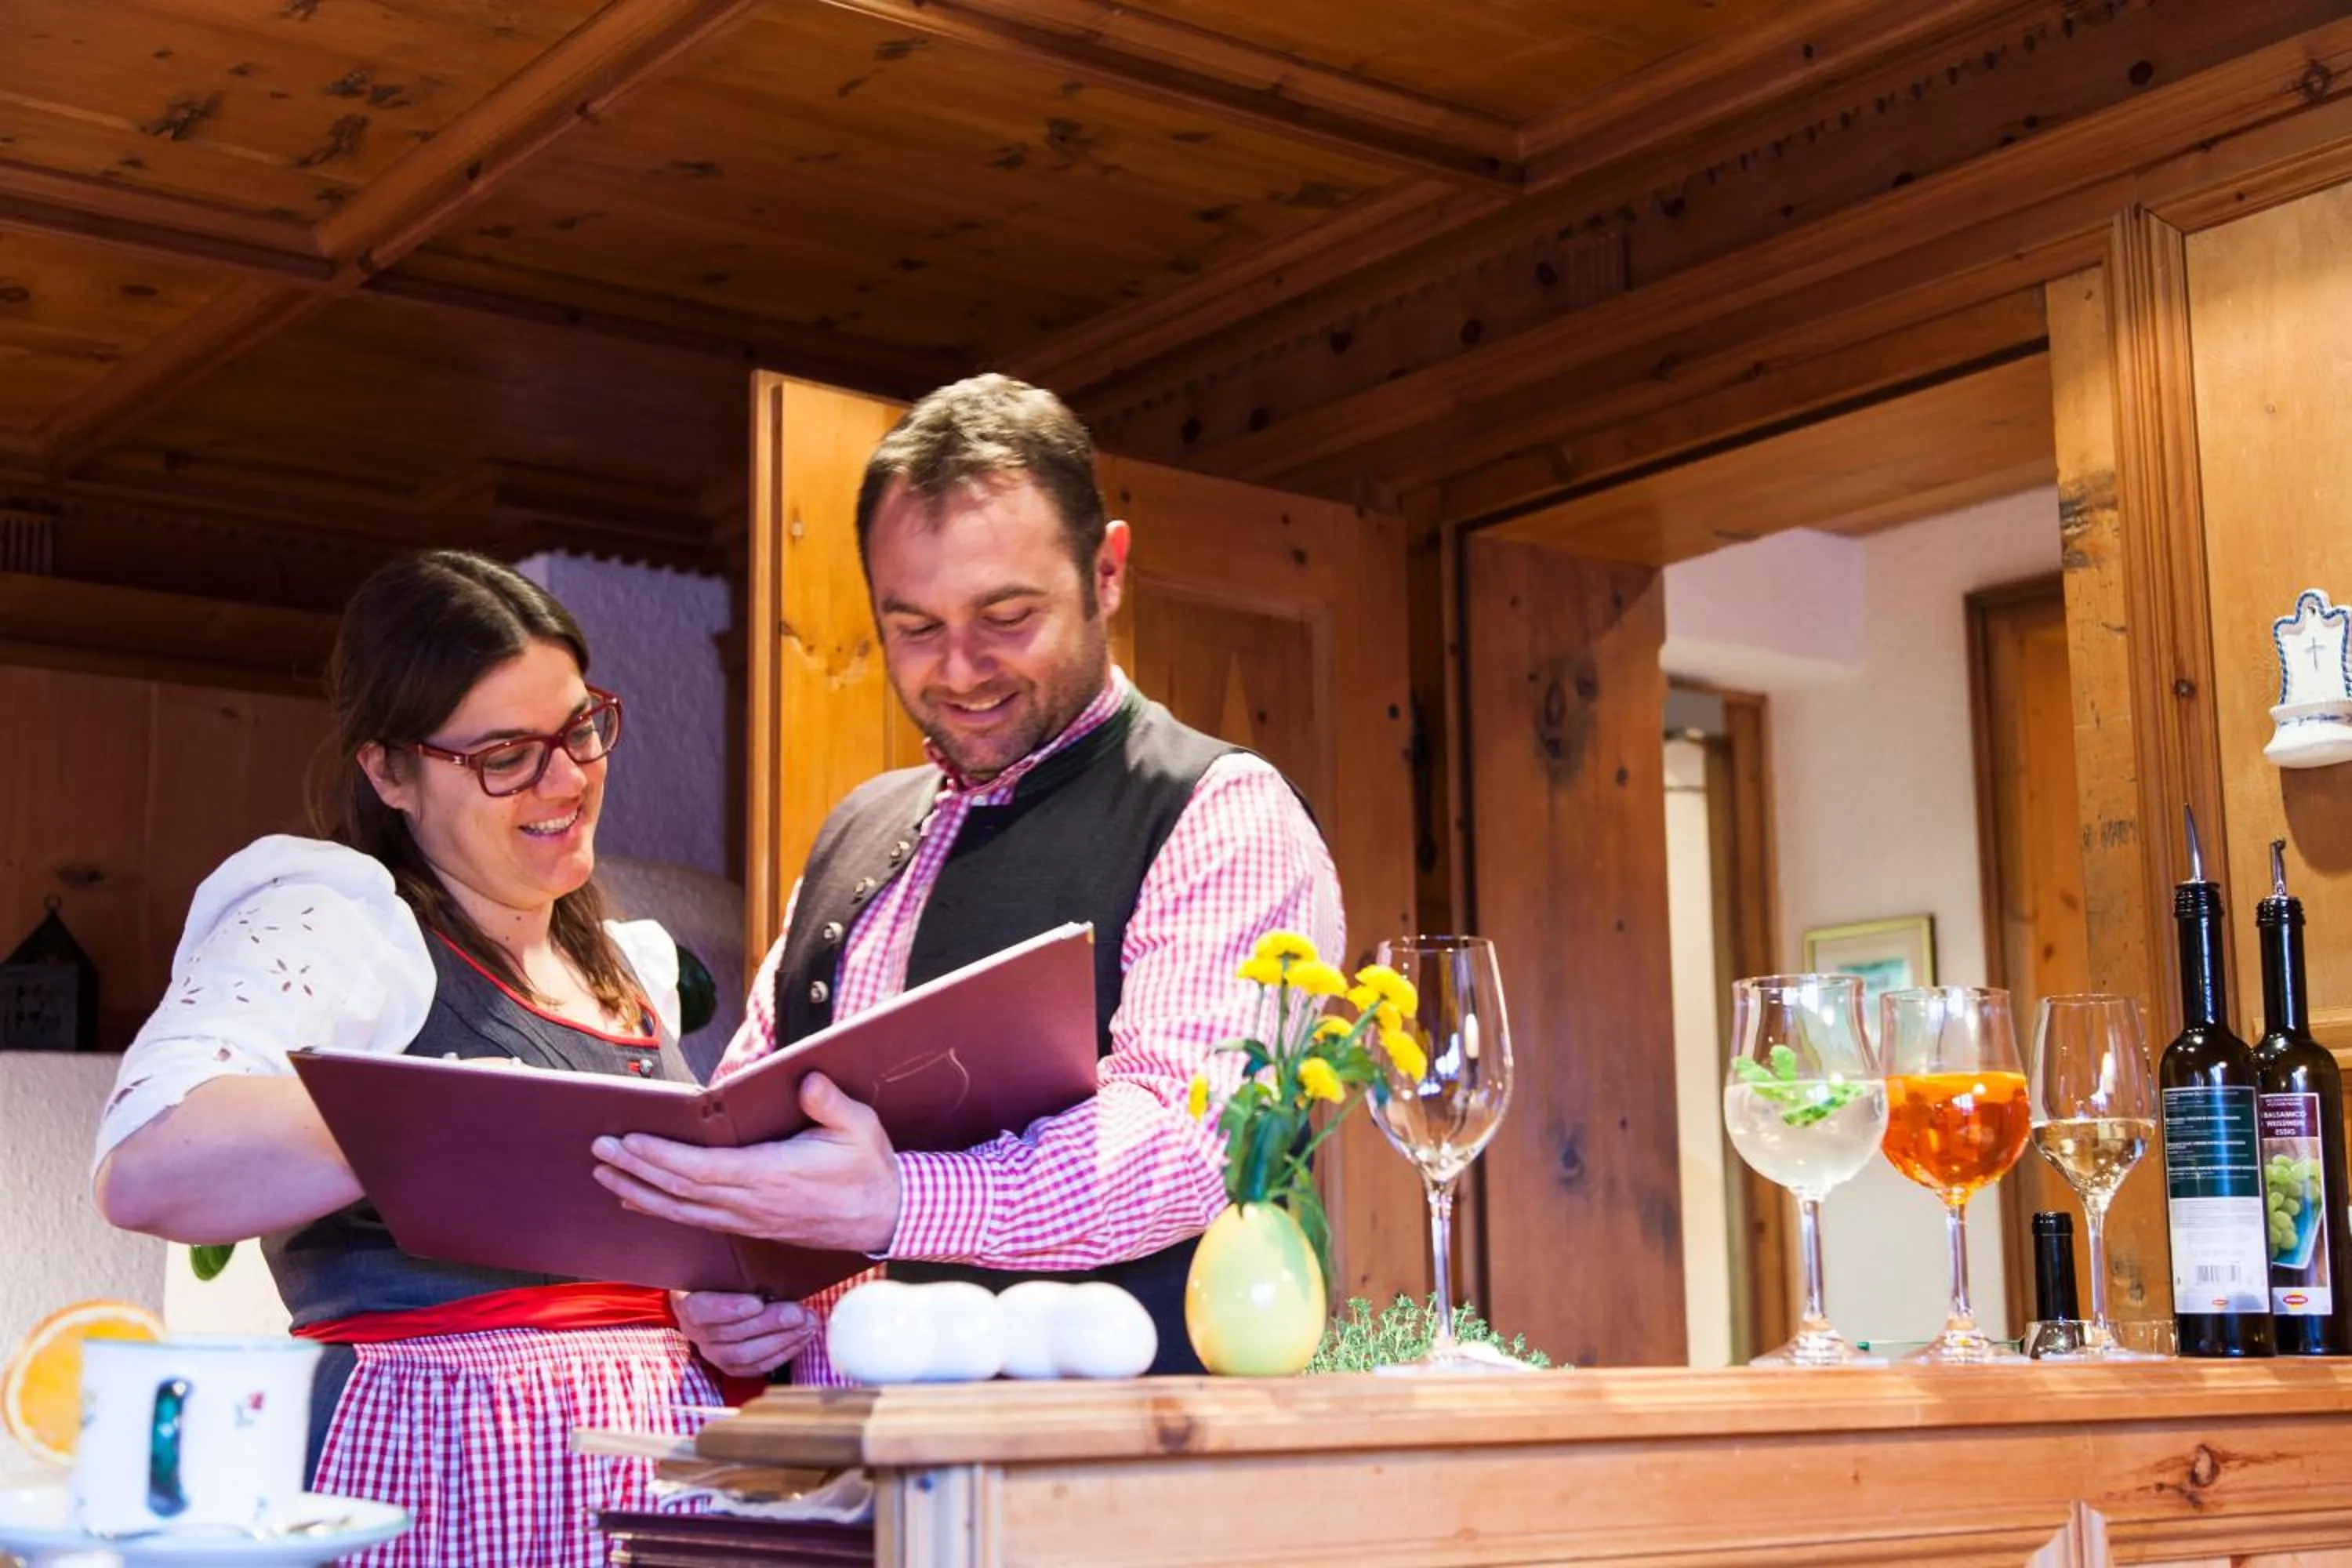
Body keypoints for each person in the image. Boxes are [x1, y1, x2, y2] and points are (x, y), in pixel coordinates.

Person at [591, 374, 1345, 1383]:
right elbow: (746, 1118)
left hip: (1102, 1486)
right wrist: (719, 1284)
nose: (960, 668)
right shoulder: (857, 827)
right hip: (843, 1477)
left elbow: (1179, 1145)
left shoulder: (1220, 810)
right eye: (914, 626)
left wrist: (899, 1198)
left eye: (1007, 613)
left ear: (1108, 571)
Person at [91, 552, 782, 1567]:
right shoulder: (341, 919)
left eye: (580, 728)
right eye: (505, 753)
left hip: (660, 1478)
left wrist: (714, 1309)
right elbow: (150, 1162)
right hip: (442, 1471)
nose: (566, 780)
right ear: (389, 769)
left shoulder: (617, 962)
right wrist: (460, 1117)